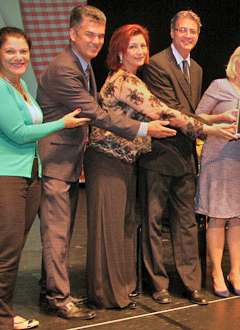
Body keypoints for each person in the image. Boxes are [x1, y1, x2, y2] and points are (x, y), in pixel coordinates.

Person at [36, 5, 176, 320]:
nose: (95, 40)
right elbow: (98, 115)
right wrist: (146, 128)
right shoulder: (67, 68)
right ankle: (60, 300)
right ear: (72, 34)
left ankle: (53, 292)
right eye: (89, 34)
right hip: (62, 161)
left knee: (67, 235)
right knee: (59, 236)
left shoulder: (83, 65)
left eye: (99, 35)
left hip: (74, 162)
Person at [85, 24, 236, 310]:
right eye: (133, 46)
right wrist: (209, 130)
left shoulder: (131, 78)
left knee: (120, 229)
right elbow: (164, 111)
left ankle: (117, 291)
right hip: (107, 159)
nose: (141, 51)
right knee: (113, 229)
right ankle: (110, 293)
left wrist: (212, 121)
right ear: (119, 51)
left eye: (143, 45)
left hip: (122, 161)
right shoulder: (125, 81)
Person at [0, 27, 89, 330]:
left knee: (12, 250)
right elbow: (17, 133)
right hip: (2, 176)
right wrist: (61, 123)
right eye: (10, 51)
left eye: (23, 51)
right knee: (7, 250)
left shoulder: (20, 85)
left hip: (26, 175)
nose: (18, 57)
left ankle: (1, 313)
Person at [140, 10, 232, 306]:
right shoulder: (155, 64)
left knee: (187, 223)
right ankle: (157, 284)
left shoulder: (197, 68)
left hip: (185, 157)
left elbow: (188, 112)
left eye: (192, 31)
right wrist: (211, 128)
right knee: (153, 222)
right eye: (182, 30)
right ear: (171, 32)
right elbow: (170, 111)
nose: (188, 36)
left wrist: (216, 117)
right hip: (158, 156)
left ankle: (190, 285)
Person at [196, 43, 240, 298]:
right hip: (218, 158)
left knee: (239, 218)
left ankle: (234, 272)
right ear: (235, 61)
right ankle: (216, 272)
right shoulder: (218, 86)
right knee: (217, 217)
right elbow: (197, 117)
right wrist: (221, 117)